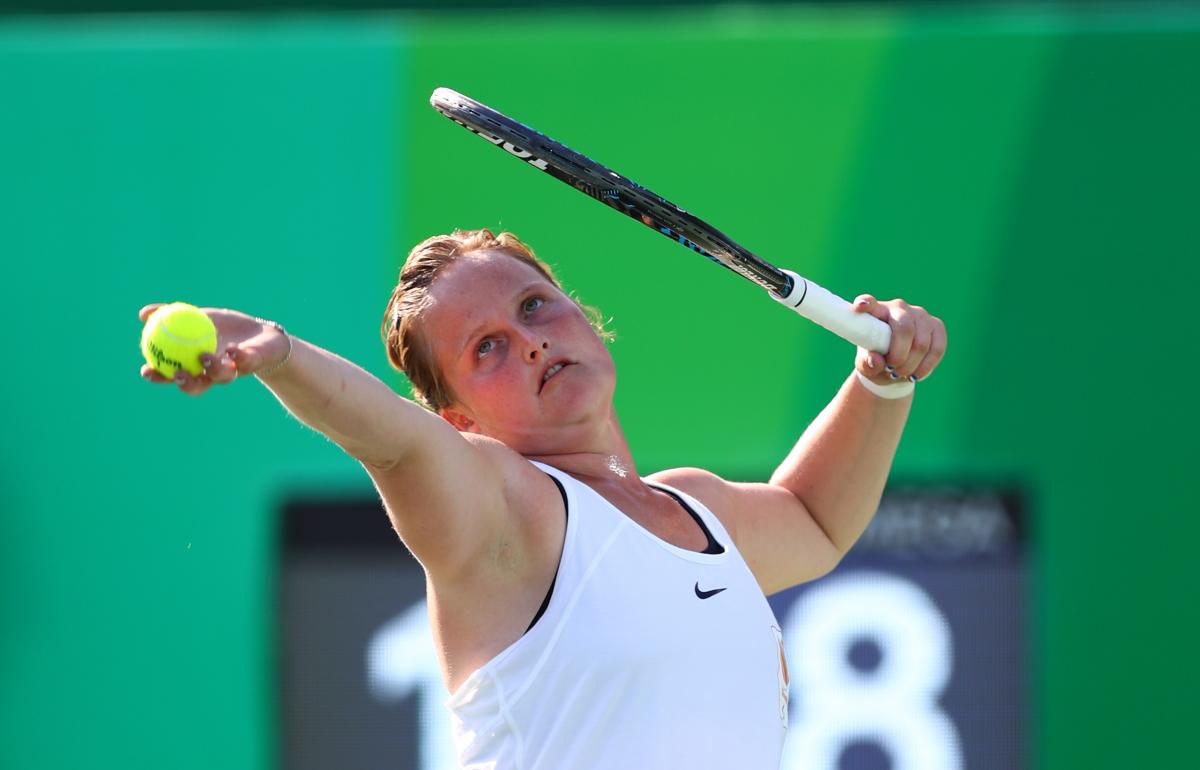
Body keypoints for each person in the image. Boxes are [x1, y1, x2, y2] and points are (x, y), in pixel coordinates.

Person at [139, 228, 946, 769]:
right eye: (486, 348)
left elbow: (813, 519)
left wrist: (881, 382)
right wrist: (281, 355)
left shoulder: (701, 511)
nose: (529, 339)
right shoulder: (504, 513)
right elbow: (393, 441)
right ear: (460, 419)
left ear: (585, 320)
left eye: (534, 306)